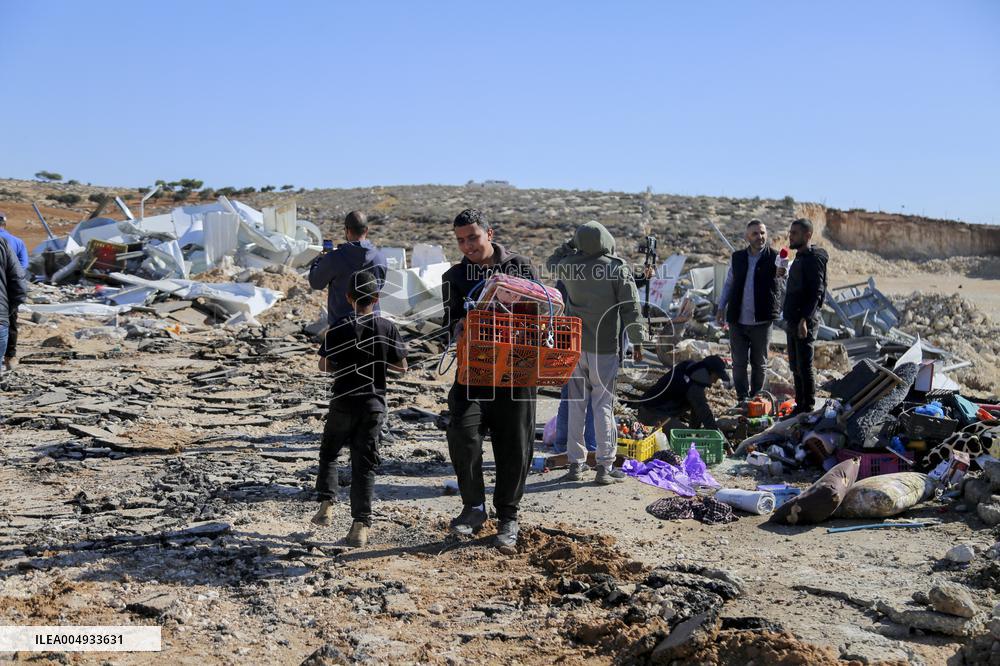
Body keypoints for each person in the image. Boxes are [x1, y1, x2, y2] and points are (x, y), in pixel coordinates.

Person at [442, 208, 536, 553]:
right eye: (460, 240)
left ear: (489, 233)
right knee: (462, 433)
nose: (467, 245)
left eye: (473, 237)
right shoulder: (454, 276)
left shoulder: (519, 266)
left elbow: (542, 312)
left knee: (515, 444)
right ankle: (474, 507)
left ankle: (508, 517)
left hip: (516, 372)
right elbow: (446, 325)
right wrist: (458, 327)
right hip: (474, 371)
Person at [311, 270, 408, 548]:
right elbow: (402, 367)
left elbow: (324, 365)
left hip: (343, 402)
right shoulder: (387, 328)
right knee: (364, 465)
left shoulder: (338, 326)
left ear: (348, 298)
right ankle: (360, 527)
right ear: (376, 298)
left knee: (329, 453)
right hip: (373, 406)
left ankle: (327, 505)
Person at [547, 221, 644, 484]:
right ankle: (604, 467)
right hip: (604, 348)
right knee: (603, 405)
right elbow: (631, 308)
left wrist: (571, 245)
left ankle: (575, 466)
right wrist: (638, 341)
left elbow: (551, 261)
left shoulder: (568, 266)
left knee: (576, 404)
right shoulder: (616, 268)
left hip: (574, 345)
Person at [715, 219, 785, 403]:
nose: (759, 237)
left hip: (762, 321)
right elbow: (729, 283)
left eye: (762, 233)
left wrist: (782, 273)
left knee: (759, 363)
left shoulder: (775, 257)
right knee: (738, 363)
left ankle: (756, 397)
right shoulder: (737, 257)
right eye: (755, 233)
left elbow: (783, 276)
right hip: (737, 320)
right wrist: (721, 307)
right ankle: (742, 398)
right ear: (747, 237)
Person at [782, 218, 829, 415]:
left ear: (807, 235)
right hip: (792, 320)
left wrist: (804, 320)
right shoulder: (800, 257)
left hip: (804, 322)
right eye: (790, 232)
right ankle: (800, 404)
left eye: (795, 233)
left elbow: (816, 292)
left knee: (804, 366)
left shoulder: (813, 258)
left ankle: (807, 406)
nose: (790, 236)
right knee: (795, 366)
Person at [309, 211, 388, 325]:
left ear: (347, 230)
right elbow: (379, 287)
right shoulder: (380, 258)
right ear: (366, 230)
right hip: (372, 325)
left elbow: (316, 283)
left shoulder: (334, 258)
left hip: (341, 327)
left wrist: (319, 260)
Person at [636, 355, 731, 431]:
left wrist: (694, 430)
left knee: (692, 434)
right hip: (652, 415)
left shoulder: (689, 368)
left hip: (649, 410)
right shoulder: (695, 384)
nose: (715, 382)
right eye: (716, 377)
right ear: (710, 372)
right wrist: (718, 438)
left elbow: (696, 410)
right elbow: (704, 412)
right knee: (688, 439)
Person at [0, 213, 28, 373]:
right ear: (5, 224)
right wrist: (12, 304)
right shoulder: (16, 242)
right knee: (11, 325)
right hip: (5, 300)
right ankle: (10, 357)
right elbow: (21, 269)